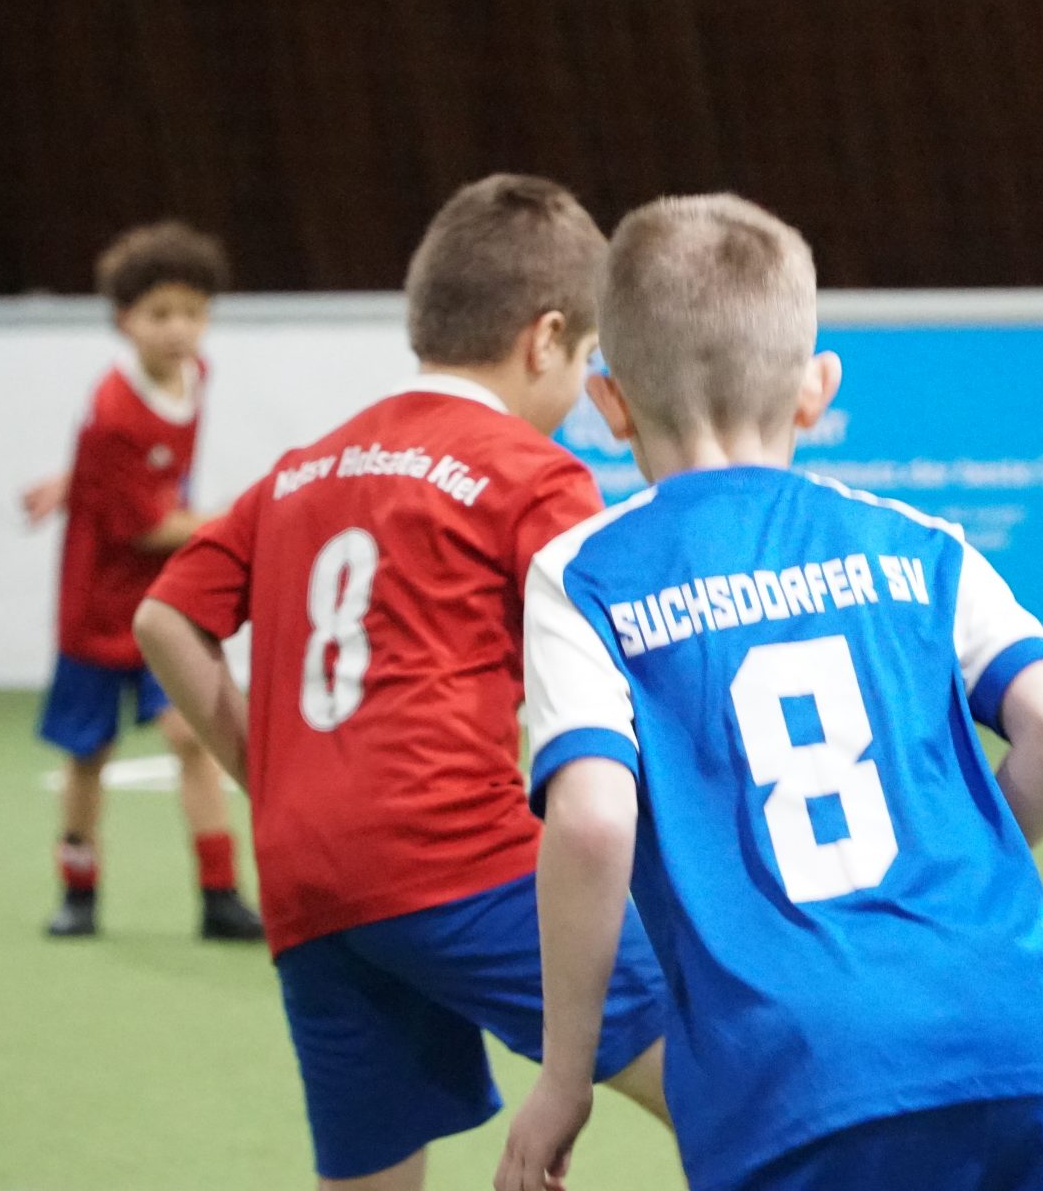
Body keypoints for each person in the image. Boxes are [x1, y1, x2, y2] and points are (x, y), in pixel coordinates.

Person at [495, 194, 1043, 1191]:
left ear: (608, 404)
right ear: (817, 389)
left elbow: (595, 821)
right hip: (1015, 1034)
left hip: (793, 1072)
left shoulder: (586, 575)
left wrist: (565, 1077)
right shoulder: (919, 543)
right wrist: (958, 874)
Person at [133, 176, 670, 1190]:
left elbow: (164, 619)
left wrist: (269, 777)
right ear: (546, 339)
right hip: (459, 858)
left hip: (306, 876)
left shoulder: (304, 467)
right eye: (586, 357)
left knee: (370, 1176)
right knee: (729, 1085)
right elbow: (624, 668)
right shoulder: (533, 473)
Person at [27, 220, 259, 941]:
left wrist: (73, 480)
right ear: (125, 320)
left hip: (165, 603)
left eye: (193, 312)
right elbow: (149, 526)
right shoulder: (115, 411)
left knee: (192, 737)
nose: (179, 329)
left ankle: (220, 894)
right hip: (98, 609)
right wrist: (241, 519)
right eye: (160, 314)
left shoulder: (196, 375)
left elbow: (140, 472)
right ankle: (79, 890)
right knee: (88, 755)